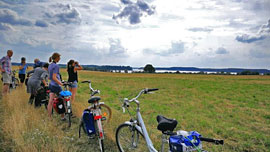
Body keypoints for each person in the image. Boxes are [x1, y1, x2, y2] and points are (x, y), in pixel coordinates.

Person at [47, 53, 64, 120]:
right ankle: (62, 116)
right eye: (59, 57)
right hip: (56, 85)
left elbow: (50, 77)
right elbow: (54, 77)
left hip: (51, 84)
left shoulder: (50, 65)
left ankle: (49, 117)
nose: (60, 59)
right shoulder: (56, 66)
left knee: (50, 101)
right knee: (62, 100)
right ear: (56, 58)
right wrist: (60, 83)